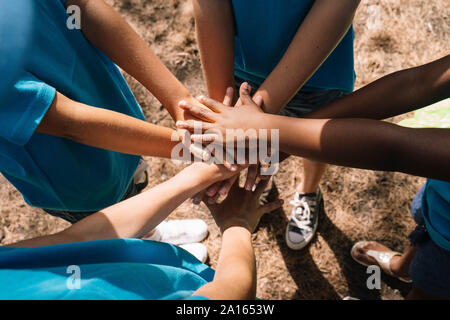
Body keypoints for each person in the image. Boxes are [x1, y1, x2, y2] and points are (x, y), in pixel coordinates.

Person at [176, 55, 450, 299]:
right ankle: (403, 267)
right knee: (427, 223)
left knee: (433, 284)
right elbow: (417, 83)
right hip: (441, 197)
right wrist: (279, 139)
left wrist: (267, 131)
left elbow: (395, 150)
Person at [0, 0, 217, 250]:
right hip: (74, 173)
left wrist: (180, 102)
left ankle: (150, 233)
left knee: (131, 187)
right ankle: (144, 249)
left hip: (108, 113)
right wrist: (186, 147)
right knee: (113, 222)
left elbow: (84, 9)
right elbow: (67, 122)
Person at [192, 0, 361, 250]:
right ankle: (261, 178)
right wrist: (224, 116)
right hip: (240, 63)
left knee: (312, 141)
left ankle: (308, 190)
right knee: (255, 145)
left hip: (319, 71)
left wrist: (249, 123)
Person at [0, 163, 282, 300]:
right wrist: (237, 224)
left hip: (154, 273)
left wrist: (191, 178)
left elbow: (73, 241)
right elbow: (228, 297)